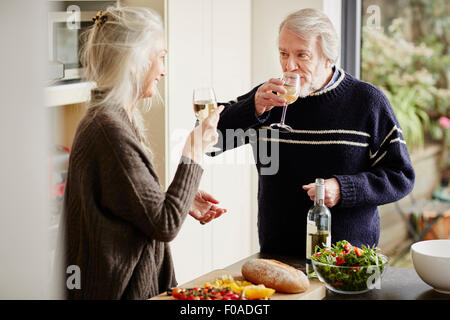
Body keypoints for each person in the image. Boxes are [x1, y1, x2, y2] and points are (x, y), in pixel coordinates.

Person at [213, 8, 415, 256]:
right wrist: (252, 108)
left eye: (302, 55)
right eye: (283, 53)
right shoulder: (267, 98)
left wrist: (344, 189)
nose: (289, 65)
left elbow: (401, 176)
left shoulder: (367, 102)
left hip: (348, 261)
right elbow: (209, 142)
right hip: (279, 256)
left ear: (329, 59)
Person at [57, 7, 226, 300]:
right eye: (160, 56)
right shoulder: (110, 130)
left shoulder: (111, 118)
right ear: (134, 61)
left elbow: (130, 203)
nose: (163, 69)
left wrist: (180, 200)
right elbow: (164, 224)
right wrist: (194, 151)